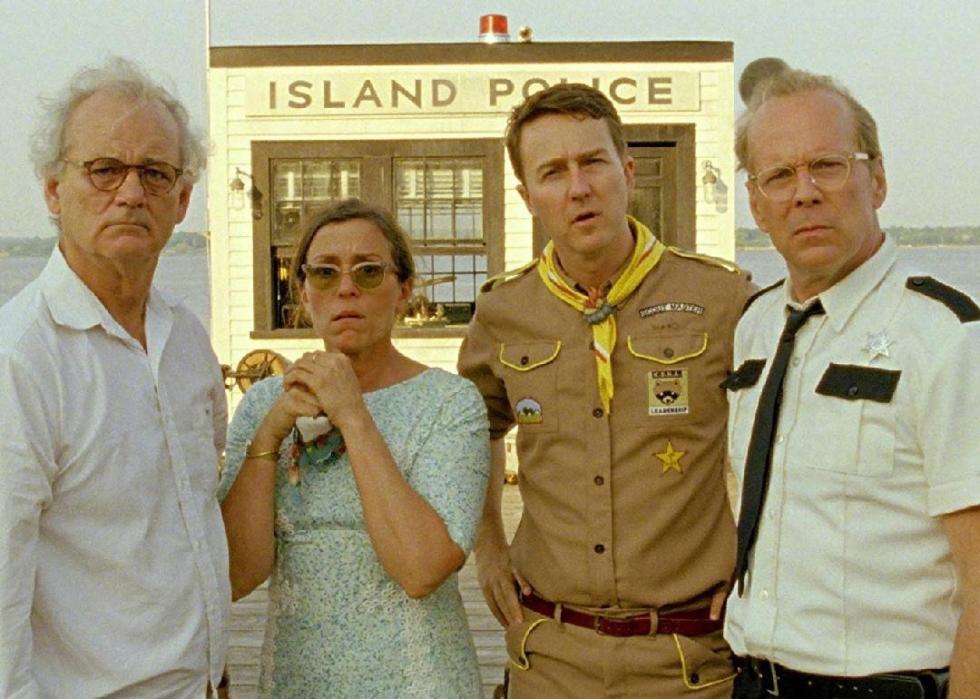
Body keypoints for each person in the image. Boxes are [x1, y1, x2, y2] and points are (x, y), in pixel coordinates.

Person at [457, 83, 753, 698]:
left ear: (628, 170)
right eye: (553, 172)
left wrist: (758, 560)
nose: (578, 187)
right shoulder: (504, 311)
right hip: (550, 658)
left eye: (593, 161)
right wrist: (487, 547)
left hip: (686, 660)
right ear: (527, 197)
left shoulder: (723, 300)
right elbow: (474, 426)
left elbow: (782, 438)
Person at [725, 67, 980, 699]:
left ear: (879, 179)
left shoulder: (947, 336)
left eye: (827, 165)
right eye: (778, 176)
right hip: (751, 683)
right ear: (757, 204)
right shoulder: (756, 327)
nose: (803, 193)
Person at [0, 57, 229, 696]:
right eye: (104, 169)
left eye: (155, 173)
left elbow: (194, 519)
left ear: (183, 200)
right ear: (52, 189)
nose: (131, 193)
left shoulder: (185, 339)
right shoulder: (20, 359)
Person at [219, 198, 490, 697]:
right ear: (302, 290)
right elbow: (237, 575)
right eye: (324, 274)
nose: (346, 288)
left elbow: (422, 568)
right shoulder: (264, 406)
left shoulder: (449, 404)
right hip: (297, 682)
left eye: (368, 272)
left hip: (419, 682)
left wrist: (352, 414)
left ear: (404, 289)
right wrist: (267, 437)